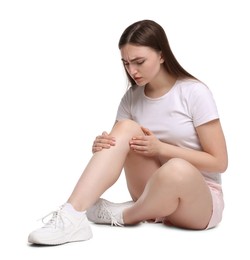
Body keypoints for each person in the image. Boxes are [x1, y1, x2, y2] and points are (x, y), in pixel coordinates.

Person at [28, 19, 228, 245]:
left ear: (162, 55)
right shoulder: (131, 98)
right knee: (125, 130)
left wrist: (162, 149)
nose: (132, 71)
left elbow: (219, 162)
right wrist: (104, 145)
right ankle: (72, 216)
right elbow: (116, 149)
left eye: (139, 62)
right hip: (151, 194)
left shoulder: (194, 92)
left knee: (177, 169)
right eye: (126, 63)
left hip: (198, 201)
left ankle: (124, 215)